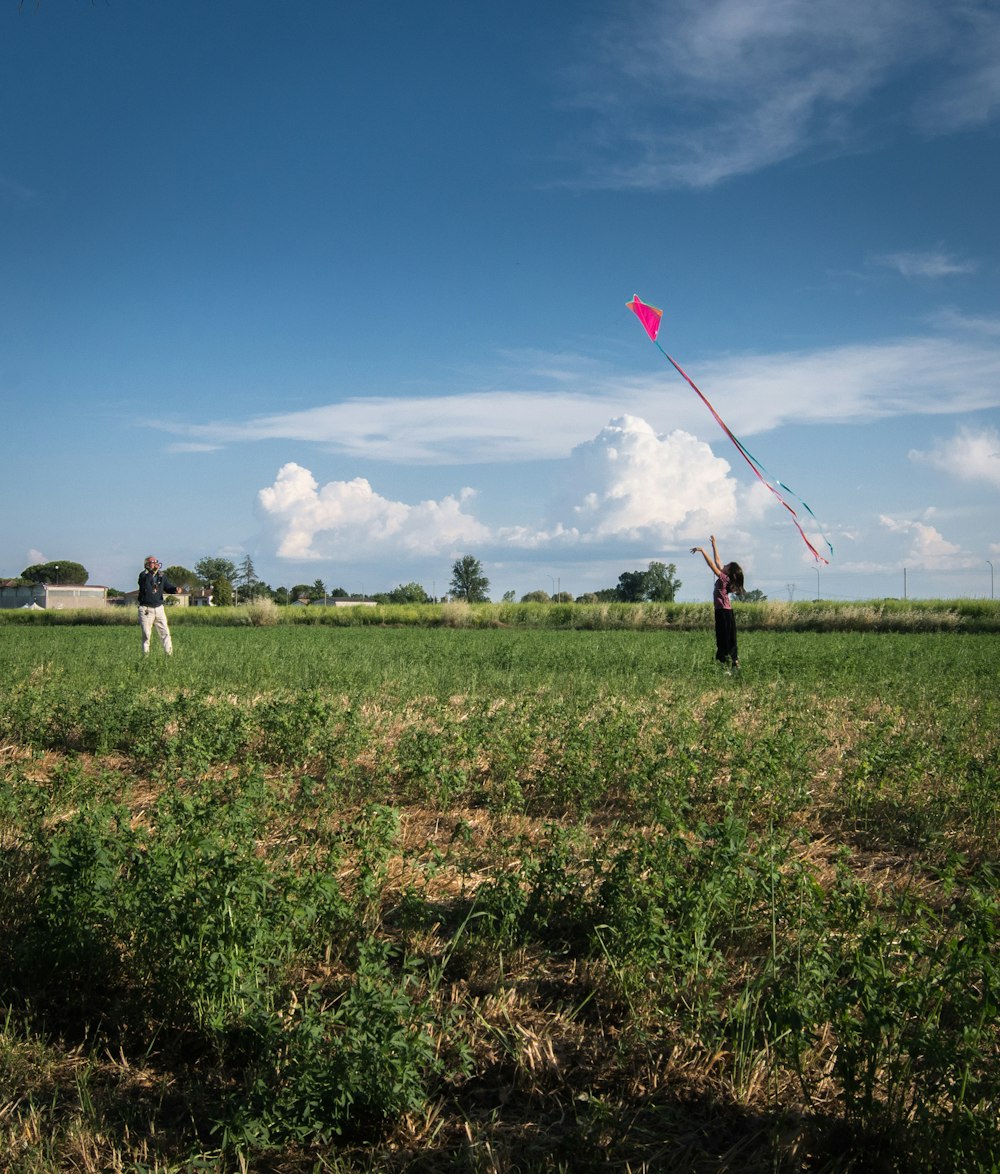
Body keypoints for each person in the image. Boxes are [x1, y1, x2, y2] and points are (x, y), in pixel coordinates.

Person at [690, 535, 745, 670]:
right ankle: (730, 662)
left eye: (726, 566)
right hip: (722, 612)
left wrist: (703, 551)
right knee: (724, 638)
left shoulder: (725, 578)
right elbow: (718, 561)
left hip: (724, 613)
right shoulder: (725, 576)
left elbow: (712, 565)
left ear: (729, 572)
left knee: (725, 638)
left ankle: (730, 663)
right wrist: (714, 544)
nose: (723, 565)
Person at [137, 555, 181, 655]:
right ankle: (145, 656)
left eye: (156, 561)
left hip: (159, 608)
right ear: (147, 564)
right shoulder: (143, 575)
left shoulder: (161, 575)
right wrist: (152, 572)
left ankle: (169, 654)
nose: (155, 563)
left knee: (165, 632)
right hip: (146, 609)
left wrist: (175, 589)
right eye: (152, 562)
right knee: (147, 634)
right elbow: (146, 582)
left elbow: (167, 586)